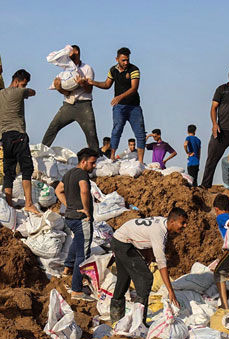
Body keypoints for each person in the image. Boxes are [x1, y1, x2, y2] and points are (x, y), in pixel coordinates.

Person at [109, 208, 187, 323]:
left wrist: (148, 256)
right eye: (182, 223)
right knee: (146, 278)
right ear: (172, 222)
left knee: (124, 278)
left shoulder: (162, 223)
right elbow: (161, 263)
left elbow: (148, 240)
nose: (185, 226)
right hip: (123, 243)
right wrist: (171, 291)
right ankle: (139, 322)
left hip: (120, 240)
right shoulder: (160, 233)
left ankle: (116, 319)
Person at [0, 69, 40, 214]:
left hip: (5, 138)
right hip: (18, 135)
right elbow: (33, 92)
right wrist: (27, 90)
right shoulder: (19, 92)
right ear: (16, 82)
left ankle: (9, 203)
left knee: (9, 171)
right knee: (27, 169)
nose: (25, 86)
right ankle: (29, 204)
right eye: (24, 83)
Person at [54, 148, 99, 302]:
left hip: (70, 217)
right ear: (83, 161)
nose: (94, 166)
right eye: (92, 163)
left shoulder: (69, 173)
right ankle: (76, 290)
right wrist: (87, 211)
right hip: (81, 219)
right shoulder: (82, 174)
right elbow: (85, 191)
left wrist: (69, 206)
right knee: (83, 254)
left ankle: (67, 267)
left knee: (77, 241)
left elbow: (58, 190)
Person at [89, 47, 145, 163]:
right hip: (119, 107)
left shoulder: (134, 70)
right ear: (117, 59)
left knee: (140, 133)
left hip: (134, 107)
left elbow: (134, 88)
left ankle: (140, 162)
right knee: (117, 130)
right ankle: (112, 156)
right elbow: (107, 84)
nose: (126, 62)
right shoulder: (113, 70)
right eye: (123, 60)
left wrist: (120, 96)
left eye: (127, 60)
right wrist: (93, 83)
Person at [41, 45, 99, 152]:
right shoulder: (66, 69)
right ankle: (41, 151)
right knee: (53, 127)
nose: (67, 54)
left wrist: (82, 84)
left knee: (91, 134)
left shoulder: (87, 69)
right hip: (68, 105)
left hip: (84, 105)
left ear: (76, 52)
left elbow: (89, 90)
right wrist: (59, 88)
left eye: (70, 52)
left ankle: (96, 158)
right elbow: (66, 92)